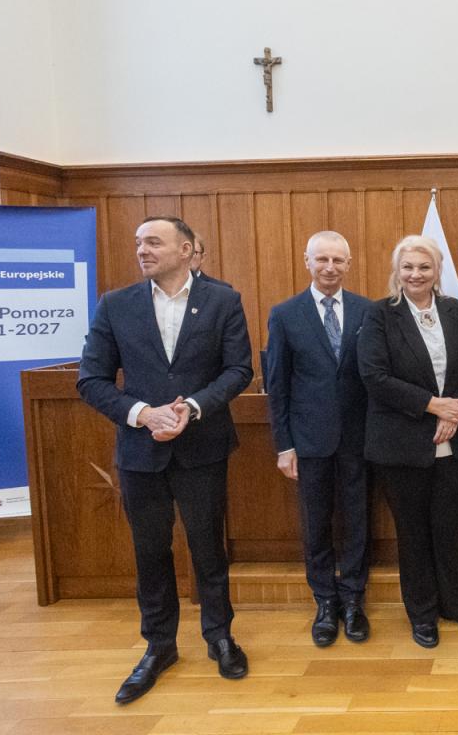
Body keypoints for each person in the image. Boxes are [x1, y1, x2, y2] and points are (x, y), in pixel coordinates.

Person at [77, 215, 253, 704]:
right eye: (139, 242)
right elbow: (90, 379)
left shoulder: (223, 300)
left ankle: (219, 636)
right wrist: (142, 414)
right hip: (141, 452)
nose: (142, 250)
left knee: (208, 549)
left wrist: (191, 408)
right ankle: (159, 646)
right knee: (150, 552)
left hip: (203, 447)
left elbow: (239, 369)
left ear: (187, 249)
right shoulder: (116, 305)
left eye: (154, 242)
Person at [357, 235, 458, 648]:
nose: (416, 274)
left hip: (455, 439)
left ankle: (456, 604)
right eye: (408, 267)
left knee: (451, 528)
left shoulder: (455, 310)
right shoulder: (380, 314)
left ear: (437, 271)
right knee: (412, 533)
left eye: (424, 267)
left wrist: (454, 411)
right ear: (397, 271)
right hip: (402, 444)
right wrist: (433, 406)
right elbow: (374, 376)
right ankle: (422, 613)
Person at [264, 231, 372, 648]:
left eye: (338, 260)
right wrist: (284, 445)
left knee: (357, 521)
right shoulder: (285, 314)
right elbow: (278, 385)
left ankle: (354, 599)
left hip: (359, 439)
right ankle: (325, 601)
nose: (330, 267)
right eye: (322, 259)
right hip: (308, 441)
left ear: (349, 264)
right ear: (307, 261)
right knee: (316, 524)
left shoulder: (367, 310)